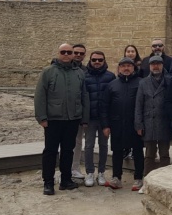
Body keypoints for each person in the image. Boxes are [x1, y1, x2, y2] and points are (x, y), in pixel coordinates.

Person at [34, 43, 90, 196]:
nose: (66, 54)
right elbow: (40, 96)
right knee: (50, 151)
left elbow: (84, 96)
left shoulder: (79, 73)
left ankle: (66, 180)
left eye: (69, 52)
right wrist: (42, 117)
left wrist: (84, 118)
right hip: (53, 119)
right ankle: (48, 182)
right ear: (58, 53)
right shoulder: (48, 72)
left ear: (73, 54)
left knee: (68, 151)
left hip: (72, 119)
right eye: (63, 52)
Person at [101, 57, 143, 191]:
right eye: (123, 66)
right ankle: (116, 178)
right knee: (117, 151)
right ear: (119, 68)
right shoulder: (112, 85)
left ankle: (138, 178)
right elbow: (104, 106)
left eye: (129, 66)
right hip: (117, 123)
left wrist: (141, 124)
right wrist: (105, 125)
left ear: (133, 68)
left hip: (135, 124)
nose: (126, 68)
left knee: (137, 151)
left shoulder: (140, 83)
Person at [135, 55, 171, 186]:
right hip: (148, 122)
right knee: (149, 154)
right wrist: (139, 124)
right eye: (153, 64)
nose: (156, 66)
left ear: (162, 65)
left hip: (164, 122)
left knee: (164, 154)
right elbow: (139, 105)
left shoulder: (169, 80)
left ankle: (165, 181)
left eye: (158, 64)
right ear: (149, 66)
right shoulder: (143, 83)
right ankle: (148, 181)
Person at [83, 50, 115, 187]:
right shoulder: (84, 76)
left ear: (104, 61)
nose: (97, 62)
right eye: (94, 60)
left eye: (100, 60)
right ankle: (90, 172)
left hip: (104, 118)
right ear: (90, 61)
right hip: (90, 118)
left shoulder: (111, 77)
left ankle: (101, 172)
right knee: (89, 146)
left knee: (103, 146)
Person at [70, 43, 87, 180]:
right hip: (61, 113)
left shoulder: (85, 71)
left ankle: (74, 168)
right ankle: (64, 169)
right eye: (76, 52)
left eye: (81, 53)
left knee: (78, 141)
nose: (78, 55)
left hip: (78, 112)